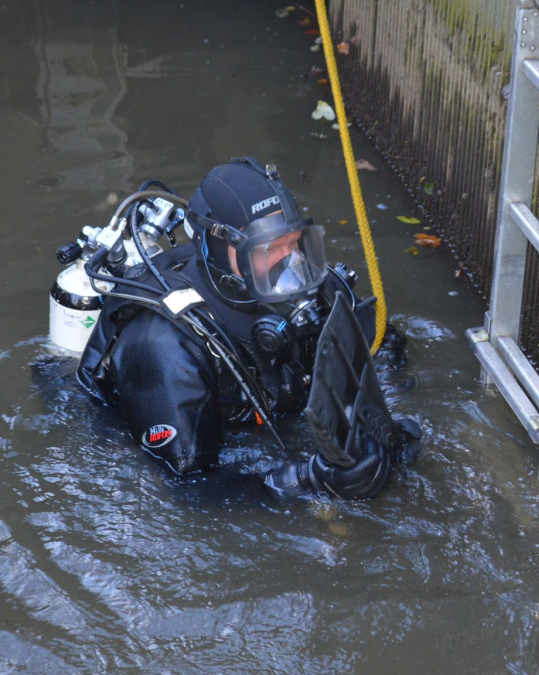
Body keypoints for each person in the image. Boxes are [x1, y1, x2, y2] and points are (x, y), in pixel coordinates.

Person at [76, 157, 419, 499]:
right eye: (270, 250)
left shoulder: (311, 284)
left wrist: (387, 424)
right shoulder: (165, 348)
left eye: (295, 242)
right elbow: (190, 489)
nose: (290, 263)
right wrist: (309, 481)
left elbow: (381, 344)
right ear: (223, 251)